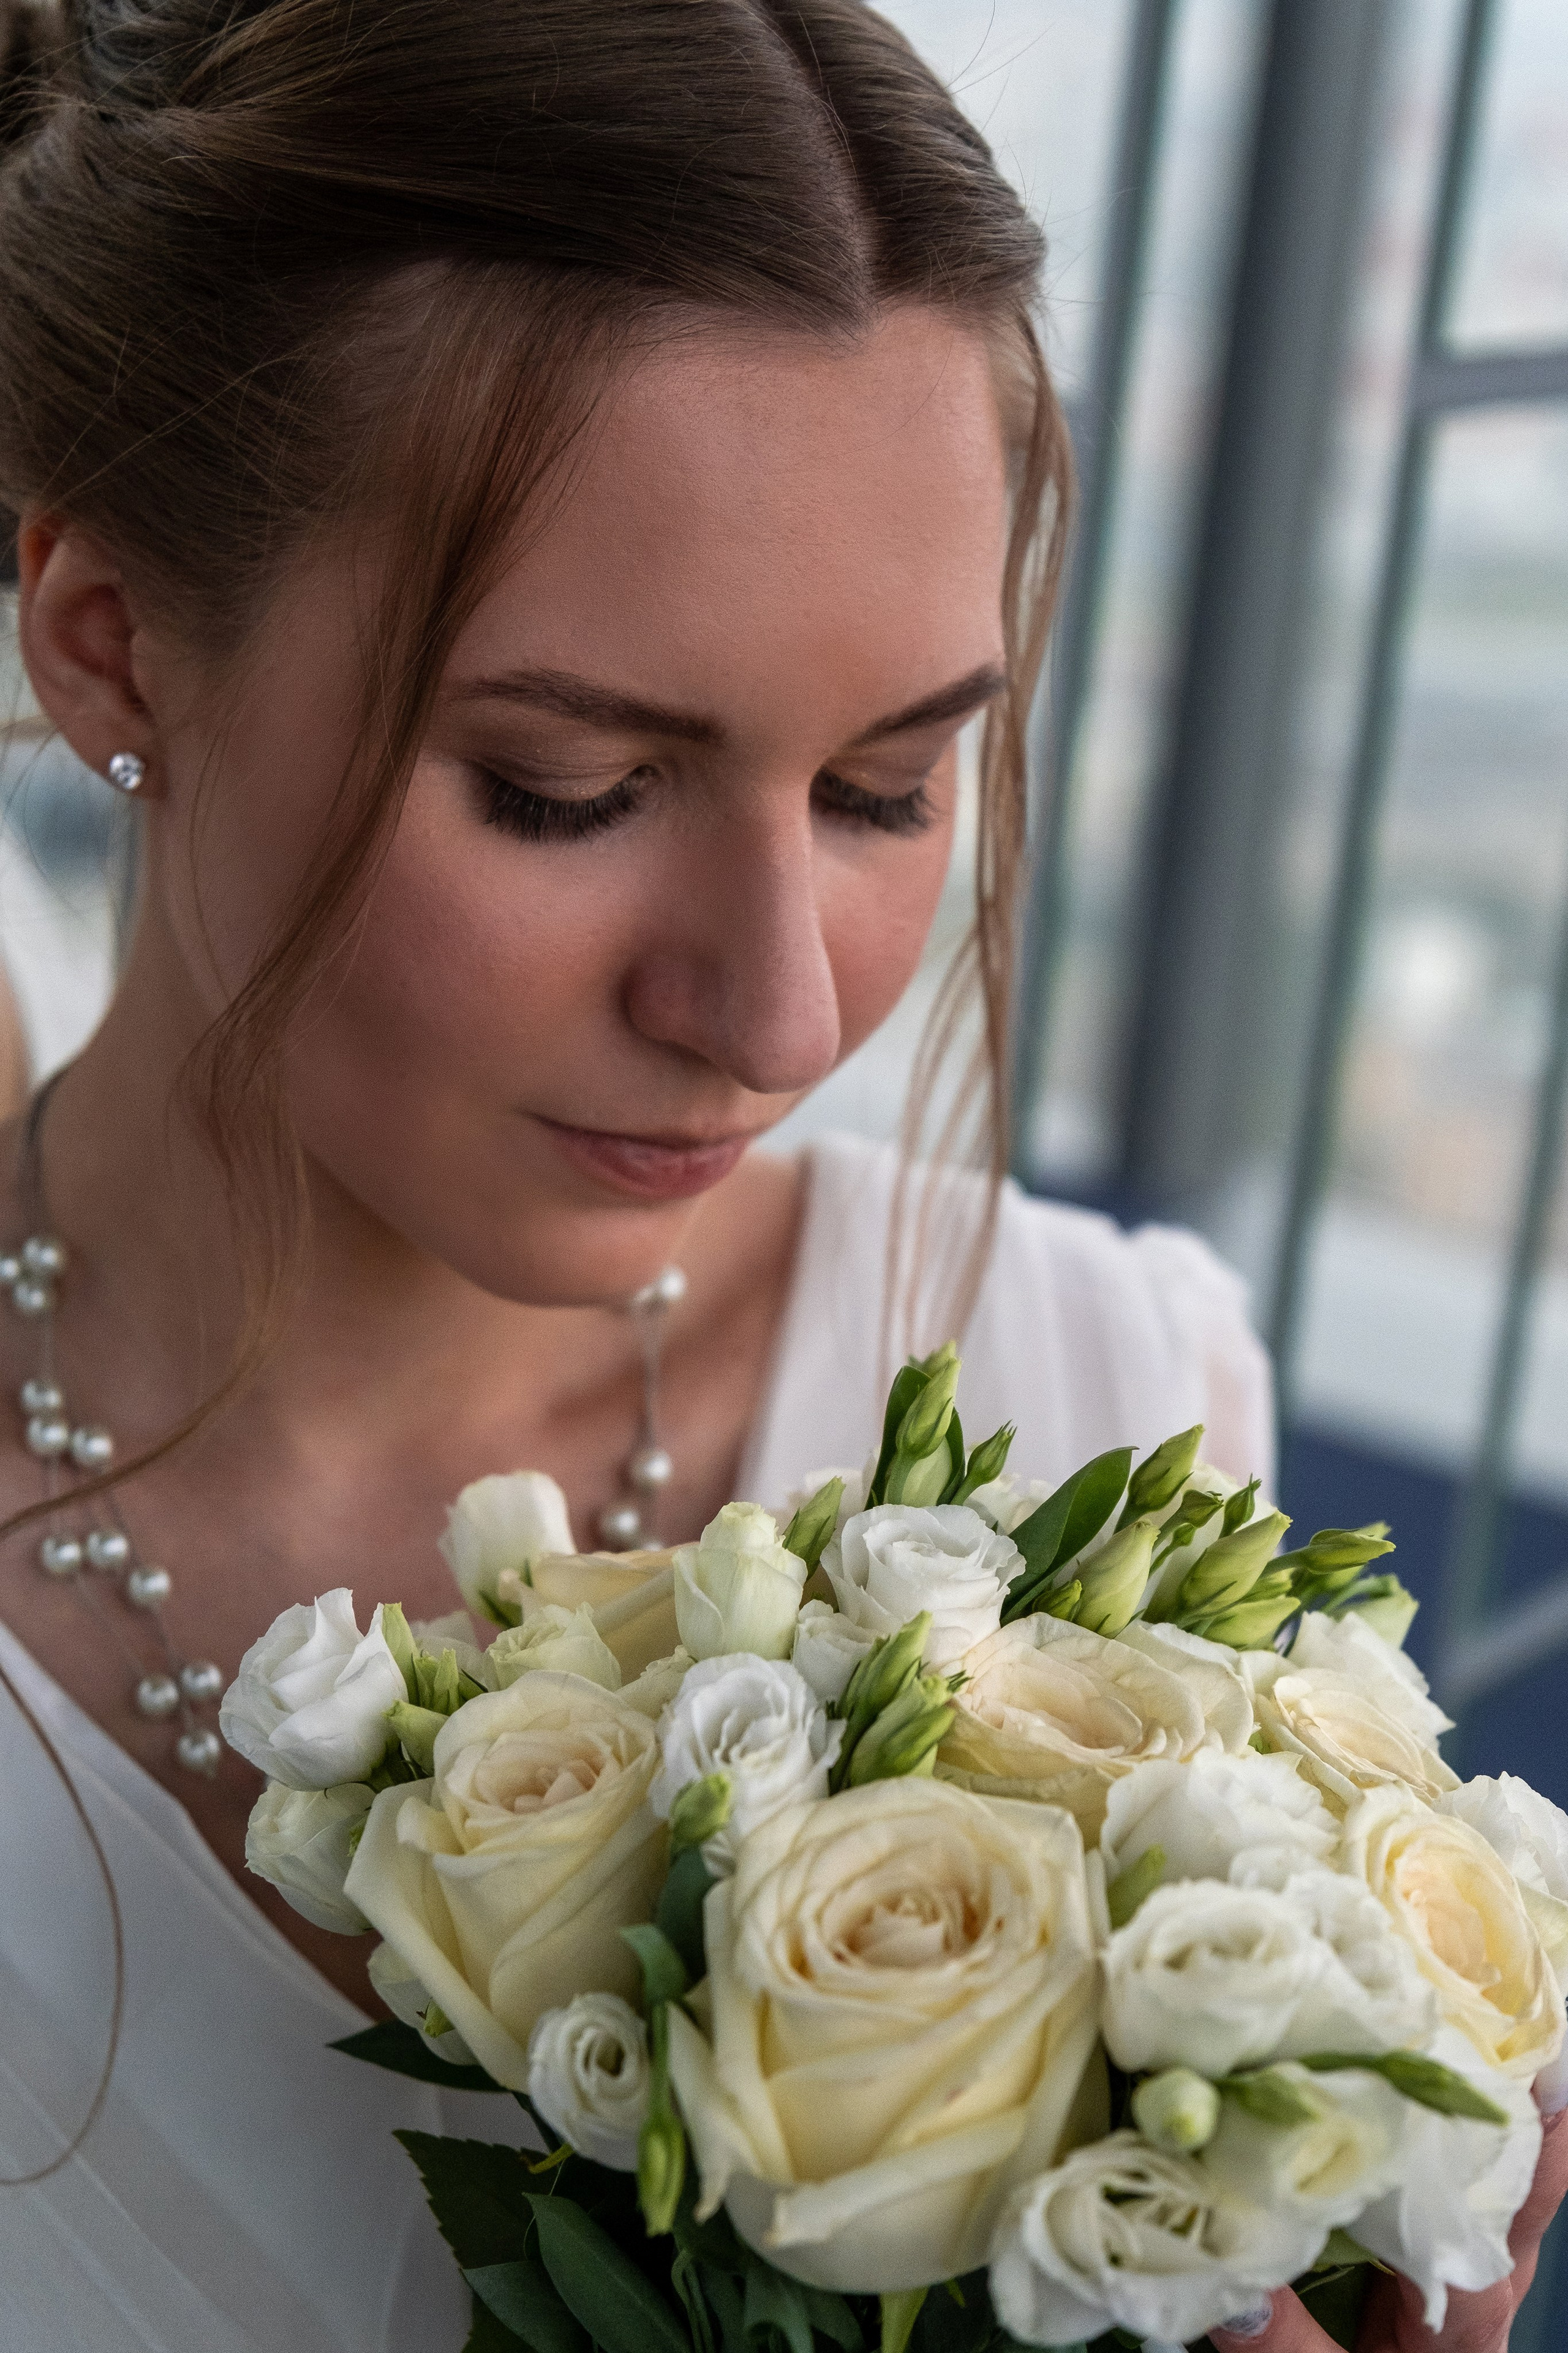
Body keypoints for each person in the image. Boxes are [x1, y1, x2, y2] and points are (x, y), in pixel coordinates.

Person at [0, 2, 1558, 2348]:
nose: (788, 1020)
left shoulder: (1103, 1407)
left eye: (884, 790)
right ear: (112, 648)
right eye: (566, 787)